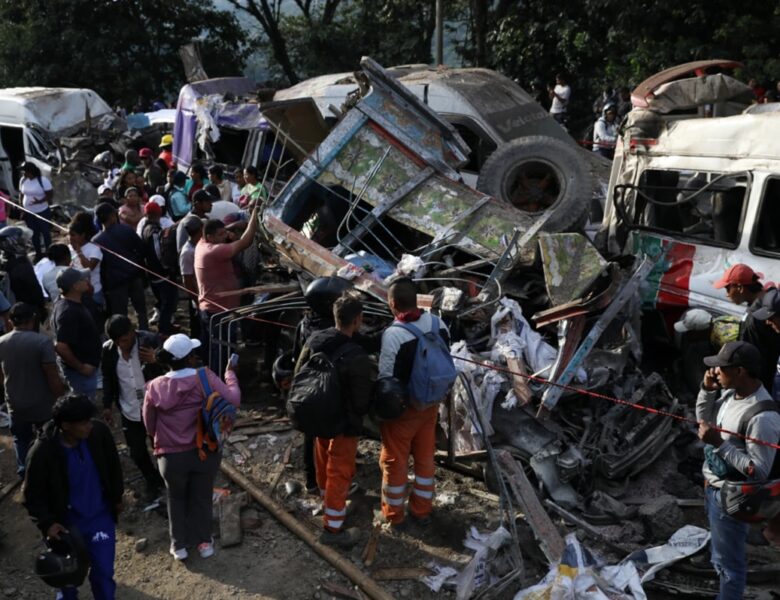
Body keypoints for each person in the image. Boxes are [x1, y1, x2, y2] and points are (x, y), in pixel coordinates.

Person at [143, 334, 240, 561]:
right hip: (205, 451)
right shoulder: (204, 377)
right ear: (190, 358)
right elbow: (233, 399)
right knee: (201, 496)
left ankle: (179, 547)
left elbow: (149, 424)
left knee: (175, 498)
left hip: (170, 457)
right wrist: (230, 374)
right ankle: (204, 543)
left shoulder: (154, 387)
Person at [696, 341, 780, 599]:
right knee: (724, 557)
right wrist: (707, 391)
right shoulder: (731, 395)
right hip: (715, 488)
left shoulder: (763, 417)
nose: (715, 372)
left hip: (730, 497)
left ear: (740, 371)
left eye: (721, 368)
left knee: (728, 566)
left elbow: (759, 470)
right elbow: (702, 421)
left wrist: (719, 444)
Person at [23, 394, 123, 600]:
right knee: (67, 579)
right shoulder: (43, 452)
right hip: (65, 527)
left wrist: (116, 497)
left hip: (99, 519)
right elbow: (32, 494)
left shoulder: (98, 434)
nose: (90, 426)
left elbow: (113, 468)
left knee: (104, 573)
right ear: (66, 426)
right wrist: (47, 523)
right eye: (84, 423)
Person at [296, 293, 376, 547]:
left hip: (318, 414)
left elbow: (299, 372)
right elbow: (361, 399)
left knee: (323, 461)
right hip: (343, 422)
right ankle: (333, 529)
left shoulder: (315, 339)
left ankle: (327, 501)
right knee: (340, 471)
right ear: (358, 320)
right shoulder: (356, 356)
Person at [378, 277, 451, 528]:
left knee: (395, 463)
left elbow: (387, 380)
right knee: (425, 457)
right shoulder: (438, 323)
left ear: (392, 303)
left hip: (405, 410)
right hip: (430, 404)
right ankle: (422, 510)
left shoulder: (394, 334)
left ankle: (393, 515)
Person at [101, 315, 165, 500]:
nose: (123, 344)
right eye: (118, 341)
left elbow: (173, 370)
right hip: (130, 410)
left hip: (156, 409)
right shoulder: (109, 351)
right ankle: (153, 481)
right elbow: (107, 378)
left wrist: (156, 360)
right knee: (137, 452)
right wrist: (107, 404)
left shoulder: (150, 342)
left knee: (162, 447)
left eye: (125, 339)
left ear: (132, 332)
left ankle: (170, 477)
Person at [0, 302, 66, 477]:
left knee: (20, 440)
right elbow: (52, 376)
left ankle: (26, 474)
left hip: (15, 403)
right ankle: (53, 471)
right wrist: (62, 398)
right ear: (32, 319)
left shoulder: (2, 342)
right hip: (42, 404)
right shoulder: (42, 342)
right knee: (49, 438)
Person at [195, 207, 258, 374]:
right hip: (219, 312)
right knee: (222, 352)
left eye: (225, 233)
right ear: (210, 237)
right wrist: (255, 217)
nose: (226, 237)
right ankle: (221, 385)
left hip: (213, 309)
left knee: (215, 349)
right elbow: (246, 242)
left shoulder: (202, 243)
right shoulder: (214, 251)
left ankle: (216, 380)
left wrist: (230, 228)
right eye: (221, 235)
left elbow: (219, 232)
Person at [714, 264, 780, 391]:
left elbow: (753, 360)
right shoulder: (771, 297)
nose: (727, 294)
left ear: (739, 287)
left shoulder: (754, 318)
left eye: (728, 288)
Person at [93, 203, 149, 330]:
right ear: (112, 216)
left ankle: (123, 336)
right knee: (141, 310)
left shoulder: (96, 241)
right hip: (134, 277)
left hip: (115, 283)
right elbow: (141, 249)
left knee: (120, 315)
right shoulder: (126, 229)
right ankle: (144, 335)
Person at [52, 268, 102, 402]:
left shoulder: (70, 300)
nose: (86, 280)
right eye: (82, 279)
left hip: (85, 370)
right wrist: (82, 368)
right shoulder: (68, 312)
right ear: (75, 286)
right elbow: (61, 346)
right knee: (83, 407)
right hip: (80, 374)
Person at [139, 202, 178, 335]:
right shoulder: (154, 230)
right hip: (160, 272)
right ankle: (164, 328)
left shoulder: (145, 228)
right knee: (168, 301)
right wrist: (166, 267)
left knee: (163, 300)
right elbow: (158, 252)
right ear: (158, 213)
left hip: (152, 271)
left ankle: (165, 325)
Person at [0, 226, 47, 319]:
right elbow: (35, 290)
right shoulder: (21, 266)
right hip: (29, 310)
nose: (25, 243)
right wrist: (42, 308)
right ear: (12, 243)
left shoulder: (5, 260)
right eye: (21, 240)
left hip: (15, 308)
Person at [19, 161, 53, 260]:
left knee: (45, 233)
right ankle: (38, 253)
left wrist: (40, 201)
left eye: (25, 171)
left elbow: (50, 194)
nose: (23, 174)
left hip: (42, 211)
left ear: (31, 171)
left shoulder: (43, 180)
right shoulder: (23, 180)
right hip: (29, 213)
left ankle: (49, 253)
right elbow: (21, 194)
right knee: (34, 234)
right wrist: (21, 207)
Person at [179, 215, 203, 340]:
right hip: (198, 297)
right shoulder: (187, 252)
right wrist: (197, 300)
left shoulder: (199, 245)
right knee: (200, 330)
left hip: (203, 294)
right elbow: (187, 280)